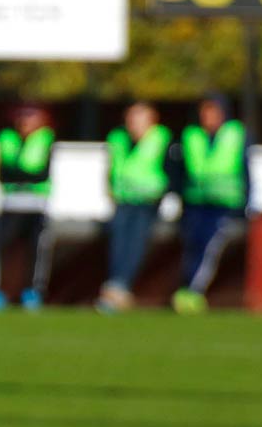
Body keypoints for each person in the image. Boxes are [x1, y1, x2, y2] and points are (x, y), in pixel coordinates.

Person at [174, 93, 250, 314]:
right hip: (195, 203)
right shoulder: (192, 136)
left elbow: (246, 172)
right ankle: (186, 288)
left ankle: (192, 291)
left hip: (224, 205)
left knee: (209, 246)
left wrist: (245, 206)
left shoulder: (236, 135)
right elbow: (181, 173)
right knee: (193, 244)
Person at [97, 101, 172, 313]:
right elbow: (111, 169)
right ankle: (116, 287)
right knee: (118, 241)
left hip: (148, 202)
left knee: (136, 243)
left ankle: (118, 287)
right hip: (123, 200)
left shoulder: (161, 139)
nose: (133, 124)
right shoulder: (118, 138)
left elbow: (169, 171)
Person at [0, 104, 55, 311]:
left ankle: (33, 292)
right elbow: (2, 173)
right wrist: (23, 175)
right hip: (10, 204)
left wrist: (19, 174)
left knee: (36, 250)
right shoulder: (6, 138)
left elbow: (42, 173)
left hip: (36, 205)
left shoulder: (46, 138)